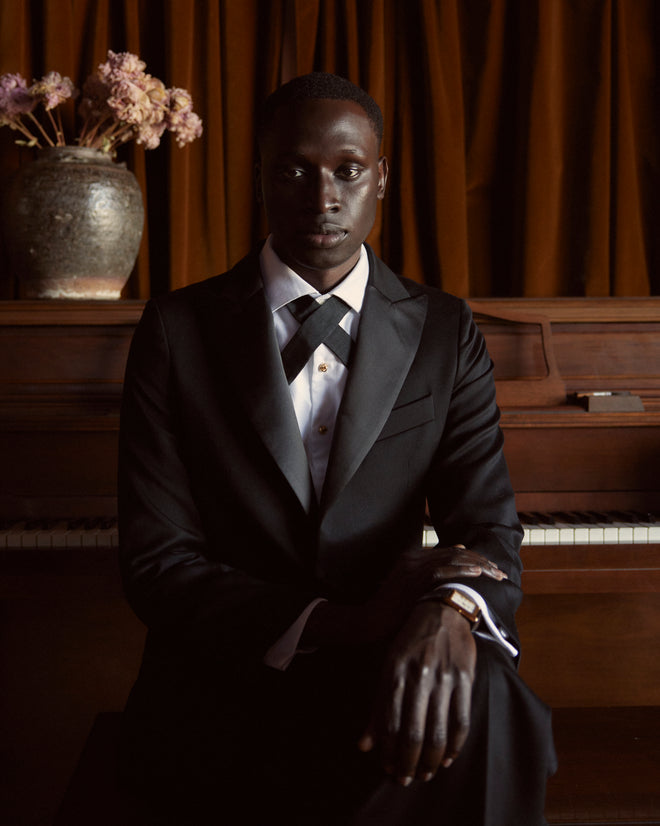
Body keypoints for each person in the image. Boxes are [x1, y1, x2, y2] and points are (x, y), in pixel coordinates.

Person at [118, 72, 556, 825]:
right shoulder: (177, 330)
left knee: (481, 684)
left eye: (348, 170)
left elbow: (487, 533)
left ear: (380, 178)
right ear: (259, 180)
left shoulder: (446, 332)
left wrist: (449, 608)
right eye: (294, 169)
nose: (323, 196)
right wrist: (343, 621)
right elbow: (159, 567)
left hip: (389, 665)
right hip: (232, 673)